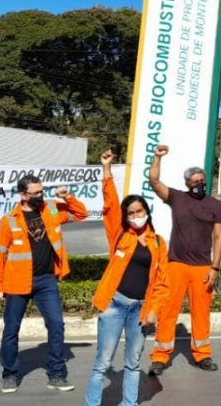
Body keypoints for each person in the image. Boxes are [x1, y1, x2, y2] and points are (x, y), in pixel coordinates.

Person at [85, 150, 170, 406]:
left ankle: (129, 404)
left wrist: (154, 310)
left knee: (133, 364)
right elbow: (110, 203)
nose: (135, 216)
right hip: (114, 305)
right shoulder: (120, 235)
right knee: (103, 363)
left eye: (139, 211)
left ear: (147, 211)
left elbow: (162, 283)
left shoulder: (158, 242)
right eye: (130, 213)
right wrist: (107, 170)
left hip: (140, 311)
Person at [0, 173, 88, 394]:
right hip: (17, 283)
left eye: (42, 191)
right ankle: (10, 374)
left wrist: (68, 196)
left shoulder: (50, 209)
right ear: (23, 195)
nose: (40, 196)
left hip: (46, 280)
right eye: (35, 193)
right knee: (11, 330)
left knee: (56, 326)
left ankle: (56, 375)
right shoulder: (10, 220)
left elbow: (81, 214)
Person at [147, 145, 221, 374]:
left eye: (202, 180)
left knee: (201, 314)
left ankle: (203, 355)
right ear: (187, 184)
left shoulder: (214, 204)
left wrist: (215, 267)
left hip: (203, 268)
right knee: (168, 311)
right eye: (195, 182)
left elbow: (219, 237)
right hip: (176, 265)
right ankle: (160, 358)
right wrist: (157, 157)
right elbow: (154, 181)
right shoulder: (177, 198)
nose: (200, 184)